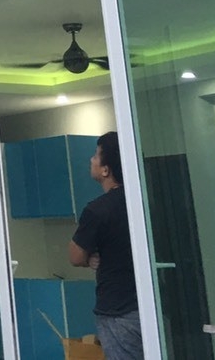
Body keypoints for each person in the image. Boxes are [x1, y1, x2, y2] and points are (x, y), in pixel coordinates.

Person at [69, 131, 142, 360]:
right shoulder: (142, 201)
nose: (91, 160)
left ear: (105, 170)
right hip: (151, 306)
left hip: (117, 310)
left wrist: (89, 256)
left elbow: (75, 256)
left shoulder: (97, 210)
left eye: (96, 155)